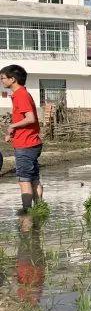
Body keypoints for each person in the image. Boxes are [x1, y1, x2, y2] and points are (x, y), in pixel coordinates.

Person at [1, 65, 44, 212]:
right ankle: (39, 209)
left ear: (12, 79)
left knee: (24, 179)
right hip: (30, 142)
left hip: (26, 144)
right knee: (34, 178)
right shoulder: (20, 94)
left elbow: (30, 118)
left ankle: (26, 213)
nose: (1, 81)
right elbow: (25, 119)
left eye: (3, 78)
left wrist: (12, 126)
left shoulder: (20, 95)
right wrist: (12, 133)